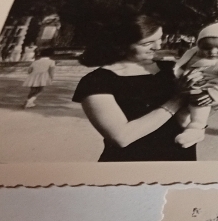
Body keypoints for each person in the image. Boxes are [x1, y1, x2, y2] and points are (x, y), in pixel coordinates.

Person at [71, 12, 193, 162]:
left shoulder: (172, 69)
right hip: (130, 164)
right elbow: (122, 137)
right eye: (147, 43)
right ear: (122, 44)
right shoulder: (96, 81)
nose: (159, 46)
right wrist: (178, 99)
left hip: (180, 161)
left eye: (160, 38)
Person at [172, 21, 218, 148]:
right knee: (181, 111)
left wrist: (214, 93)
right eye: (206, 48)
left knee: (199, 102)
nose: (213, 52)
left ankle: (196, 128)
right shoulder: (193, 53)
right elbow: (182, 65)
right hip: (196, 85)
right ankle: (189, 129)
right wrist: (180, 75)